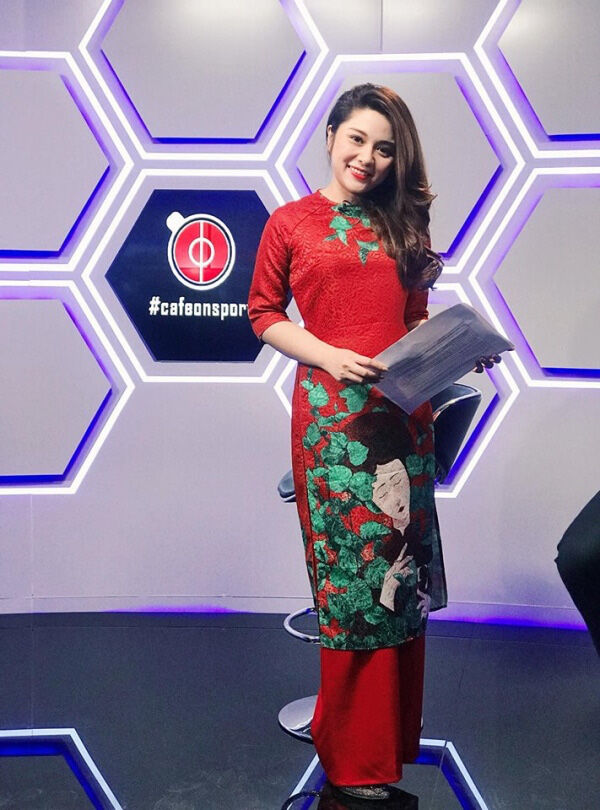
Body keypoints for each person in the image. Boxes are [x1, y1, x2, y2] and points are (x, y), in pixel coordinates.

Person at [248, 83, 493, 802]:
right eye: (356, 139)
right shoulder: (290, 223)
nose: (368, 157)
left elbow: (414, 321)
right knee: (353, 587)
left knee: (397, 583)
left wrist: (460, 348)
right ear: (330, 136)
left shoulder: (402, 225)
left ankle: (384, 746)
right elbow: (262, 313)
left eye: (385, 148)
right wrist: (326, 354)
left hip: (403, 420)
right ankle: (352, 759)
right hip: (334, 424)